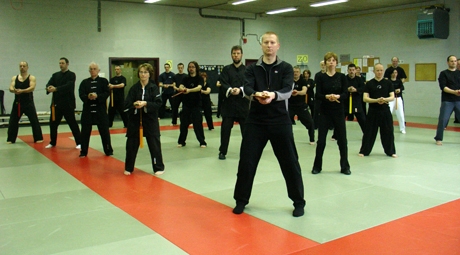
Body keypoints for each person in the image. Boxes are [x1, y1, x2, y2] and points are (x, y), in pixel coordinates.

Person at [233, 32, 305, 217]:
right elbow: (247, 88)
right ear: (261, 45)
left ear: (278, 46)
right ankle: (241, 200)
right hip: (256, 121)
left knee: (290, 162)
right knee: (247, 162)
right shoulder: (251, 68)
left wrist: (273, 95)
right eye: (266, 42)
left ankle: (298, 202)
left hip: (280, 120)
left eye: (272, 42)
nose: (269, 45)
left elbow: (288, 89)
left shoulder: (286, 68)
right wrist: (257, 95)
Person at [312, 52, 350, 175]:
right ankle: (317, 166)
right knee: (321, 140)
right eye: (329, 60)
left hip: (338, 111)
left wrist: (338, 96)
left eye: (333, 60)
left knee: (342, 140)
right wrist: (327, 96)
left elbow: (346, 94)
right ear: (325, 63)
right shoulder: (321, 77)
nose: (331, 62)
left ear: (336, 63)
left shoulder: (342, 76)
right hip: (325, 112)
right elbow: (318, 95)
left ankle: (345, 166)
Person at [123, 63, 165, 176]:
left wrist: (146, 104)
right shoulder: (134, 88)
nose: (143, 74)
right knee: (131, 145)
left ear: (149, 74)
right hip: (135, 121)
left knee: (154, 144)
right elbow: (126, 105)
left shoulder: (153, 88)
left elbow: (158, 103)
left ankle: (158, 167)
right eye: (141, 72)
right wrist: (135, 105)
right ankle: (129, 167)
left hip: (150, 120)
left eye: (145, 72)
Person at [359, 63, 397, 158]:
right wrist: (376, 100)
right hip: (373, 111)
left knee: (388, 132)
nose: (379, 72)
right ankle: (364, 151)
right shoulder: (369, 83)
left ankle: (391, 151)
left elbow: (392, 97)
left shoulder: (388, 83)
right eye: (377, 70)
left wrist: (384, 99)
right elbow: (365, 98)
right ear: (374, 71)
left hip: (385, 110)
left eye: (381, 70)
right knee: (369, 132)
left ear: (383, 71)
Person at [218, 45, 249, 160]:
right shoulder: (226, 69)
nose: (236, 55)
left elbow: (249, 84)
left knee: (246, 131)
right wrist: (230, 90)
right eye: (234, 53)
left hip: (243, 104)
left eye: (238, 53)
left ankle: (247, 152)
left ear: (242, 55)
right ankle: (222, 151)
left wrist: (240, 89)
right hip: (228, 104)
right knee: (225, 130)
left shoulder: (247, 70)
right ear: (231, 55)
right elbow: (223, 82)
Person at [78, 62, 113, 158]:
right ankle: (83, 151)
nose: (92, 71)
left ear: (98, 70)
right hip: (87, 110)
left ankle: (108, 150)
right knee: (85, 132)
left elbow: (106, 93)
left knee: (104, 132)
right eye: (91, 69)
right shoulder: (84, 82)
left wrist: (97, 96)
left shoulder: (103, 81)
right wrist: (88, 96)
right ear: (89, 71)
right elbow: (81, 94)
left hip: (100, 110)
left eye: (94, 69)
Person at [45, 57, 81, 149]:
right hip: (56, 104)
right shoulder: (55, 75)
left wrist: (56, 89)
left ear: (67, 64)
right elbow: (49, 84)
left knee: (72, 124)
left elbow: (68, 86)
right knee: (53, 124)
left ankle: (79, 142)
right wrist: (49, 88)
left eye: (63, 63)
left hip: (68, 104)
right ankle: (52, 142)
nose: (61, 65)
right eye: (60, 63)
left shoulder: (71, 75)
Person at [7, 61, 43, 144]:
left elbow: (32, 88)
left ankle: (38, 138)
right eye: (20, 66)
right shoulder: (14, 78)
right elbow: (11, 88)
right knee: (13, 121)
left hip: (28, 102)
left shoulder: (31, 77)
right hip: (18, 102)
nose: (22, 67)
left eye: (24, 66)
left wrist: (22, 91)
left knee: (34, 120)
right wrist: (14, 90)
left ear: (27, 67)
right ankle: (11, 139)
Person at [177, 61, 207, 148]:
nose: (191, 68)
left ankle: (202, 142)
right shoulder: (185, 78)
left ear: (196, 68)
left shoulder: (199, 78)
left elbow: (199, 88)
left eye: (193, 67)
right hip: (186, 104)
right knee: (183, 124)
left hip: (196, 105)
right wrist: (182, 89)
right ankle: (181, 141)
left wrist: (189, 90)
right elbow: (180, 86)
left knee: (197, 124)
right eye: (190, 67)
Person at [433, 55, 460, 145]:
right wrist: (454, 92)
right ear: (448, 62)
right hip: (447, 101)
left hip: (458, 100)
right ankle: (438, 138)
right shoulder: (443, 73)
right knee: (443, 120)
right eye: (452, 61)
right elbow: (443, 87)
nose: (454, 63)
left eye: (455, 61)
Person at [290, 66, 315, 144]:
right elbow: (285, 90)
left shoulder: (303, 81)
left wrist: (297, 92)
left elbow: (304, 91)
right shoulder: (289, 80)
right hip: (290, 106)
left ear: (300, 73)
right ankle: (287, 140)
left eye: (297, 72)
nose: (295, 73)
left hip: (301, 106)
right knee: (285, 124)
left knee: (310, 123)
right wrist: (290, 93)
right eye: (294, 72)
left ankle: (312, 139)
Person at [344, 64, 366, 132]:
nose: (351, 71)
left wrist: (356, 90)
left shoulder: (359, 79)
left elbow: (363, 88)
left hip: (356, 102)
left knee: (362, 120)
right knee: (340, 120)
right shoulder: (344, 79)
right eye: (350, 70)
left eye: (353, 70)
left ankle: (367, 134)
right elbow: (340, 88)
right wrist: (347, 89)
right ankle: (336, 135)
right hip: (345, 102)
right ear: (347, 70)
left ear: (355, 70)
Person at [388, 69, 406, 134]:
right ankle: (387, 127)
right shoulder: (388, 81)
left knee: (400, 114)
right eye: (393, 73)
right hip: (390, 98)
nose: (394, 74)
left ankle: (402, 128)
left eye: (396, 72)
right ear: (391, 74)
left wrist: (399, 89)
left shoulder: (399, 81)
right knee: (388, 113)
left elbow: (402, 87)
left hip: (398, 98)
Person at [313, 61, 326, 128]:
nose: (323, 66)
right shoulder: (317, 75)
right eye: (322, 65)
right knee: (317, 110)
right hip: (319, 95)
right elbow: (315, 84)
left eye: (324, 65)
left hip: (326, 95)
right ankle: (315, 125)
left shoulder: (328, 74)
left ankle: (329, 125)